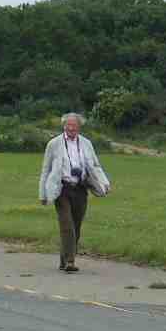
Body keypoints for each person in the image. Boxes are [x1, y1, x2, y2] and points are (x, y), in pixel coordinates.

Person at [37, 111, 110, 272]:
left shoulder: (86, 144)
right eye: (68, 125)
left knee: (76, 227)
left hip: (81, 189)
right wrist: (43, 193)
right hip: (61, 189)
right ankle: (70, 261)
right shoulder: (54, 144)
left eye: (74, 125)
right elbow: (45, 169)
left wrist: (104, 183)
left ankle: (64, 260)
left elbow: (95, 166)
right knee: (67, 226)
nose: (71, 128)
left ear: (79, 127)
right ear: (64, 126)